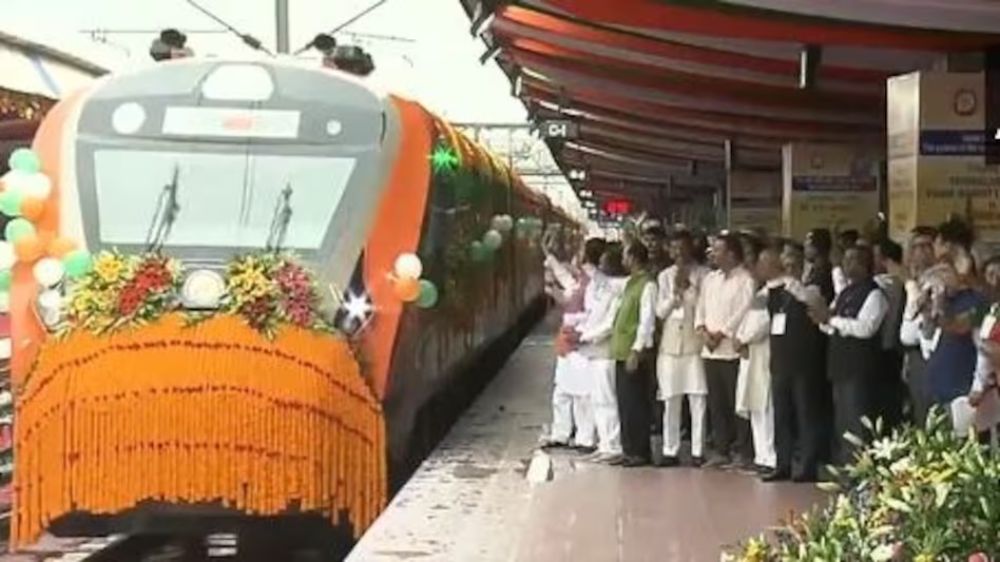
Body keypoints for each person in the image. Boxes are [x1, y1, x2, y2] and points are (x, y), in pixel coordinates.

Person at [809, 245, 888, 466]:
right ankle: (846, 468)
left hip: (859, 368)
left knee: (858, 422)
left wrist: (831, 320)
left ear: (864, 264)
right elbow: (831, 323)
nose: (846, 264)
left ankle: (862, 472)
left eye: (852, 259)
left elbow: (865, 329)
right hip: (839, 366)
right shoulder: (845, 292)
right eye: (845, 259)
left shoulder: (874, 294)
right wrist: (822, 320)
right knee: (843, 422)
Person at [766, 242, 829, 482]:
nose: (788, 262)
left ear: (803, 260)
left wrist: (793, 284)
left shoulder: (811, 285)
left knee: (805, 414)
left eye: (793, 257)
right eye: (784, 257)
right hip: (780, 360)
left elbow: (813, 302)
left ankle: (808, 465)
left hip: (804, 361)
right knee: (781, 415)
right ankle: (782, 463)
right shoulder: (776, 288)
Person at [696, 234, 756, 468]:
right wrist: (702, 330)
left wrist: (721, 334)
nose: (713, 253)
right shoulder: (711, 279)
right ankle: (721, 449)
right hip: (709, 350)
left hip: (731, 349)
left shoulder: (746, 280)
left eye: (718, 250)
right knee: (717, 403)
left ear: (731, 254)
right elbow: (701, 307)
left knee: (737, 403)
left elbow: (743, 311)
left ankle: (744, 451)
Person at [541, 239, 605, 450]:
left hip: (580, 341)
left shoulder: (595, 282)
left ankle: (585, 437)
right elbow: (567, 286)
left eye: (581, 251)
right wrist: (550, 260)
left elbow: (591, 310)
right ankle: (562, 432)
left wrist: (580, 331)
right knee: (563, 390)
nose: (576, 255)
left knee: (582, 394)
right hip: (568, 341)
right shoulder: (582, 280)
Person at [654, 231, 709, 467]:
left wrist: (690, 288)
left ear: (690, 248)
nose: (678, 253)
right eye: (674, 248)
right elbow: (660, 312)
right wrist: (675, 296)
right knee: (671, 399)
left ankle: (698, 450)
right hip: (670, 346)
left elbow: (704, 307)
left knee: (697, 399)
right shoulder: (664, 276)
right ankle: (670, 449)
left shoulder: (705, 275)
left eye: (682, 248)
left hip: (694, 344)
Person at [572, 244, 629, 464]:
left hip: (607, 351)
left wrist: (584, 336)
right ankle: (604, 443)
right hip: (593, 351)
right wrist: (580, 332)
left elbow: (610, 324)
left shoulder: (619, 288)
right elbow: (592, 315)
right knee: (598, 400)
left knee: (608, 400)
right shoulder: (601, 286)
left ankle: (614, 446)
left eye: (606, 262)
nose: (601, 266)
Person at [609, 244, 658, 467]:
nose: (623, 260)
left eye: (626, 255)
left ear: (634, 258)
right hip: (621, 351)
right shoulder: (630, 283)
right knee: (625, 403)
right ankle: (628, 449)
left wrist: (636, 350)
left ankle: (639, 451)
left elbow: (646, 320)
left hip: (633, 352)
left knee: (636, 403)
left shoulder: (647, 286)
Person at [734, 245, 778, 473]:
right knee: (754, 406)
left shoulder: (773, 294)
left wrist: (743, 339)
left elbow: (763, 324)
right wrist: (739, 338)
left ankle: (769, 456)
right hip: (750, 355)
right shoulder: (760, 293)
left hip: (763, 354)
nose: (756, 267)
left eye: (761, 263)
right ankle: (761, 455)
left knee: (765, 406)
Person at [899, 226, 939, 427]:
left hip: (933, 354)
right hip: (914, 356)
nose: (921, 251)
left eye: (927, 246)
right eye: (916, 247)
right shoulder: (913, 281)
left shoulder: (938, 280)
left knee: (933, 416)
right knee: (919, 414)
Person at [874, 238, 907, 430]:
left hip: (887, 346)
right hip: (895, 345)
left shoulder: (885, 283)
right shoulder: (902, 280)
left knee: (887, 399)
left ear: (883, 259)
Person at [803, 228, 836, 305]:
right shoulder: (813, 270)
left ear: (817, 248)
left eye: (808, 245)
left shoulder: (825, 273)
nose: (805, 248)